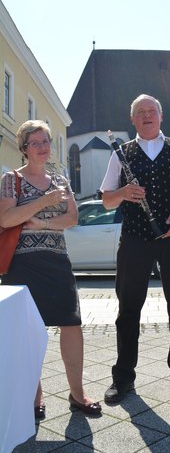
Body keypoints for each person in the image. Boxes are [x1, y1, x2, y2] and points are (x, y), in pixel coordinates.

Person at [100, 94, 170, 403]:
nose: (146, 116)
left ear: (161, 117)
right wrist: (122, 192)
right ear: (133, 120)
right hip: (134, 238)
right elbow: (106, 199)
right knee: (128, 308)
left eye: (151, 111)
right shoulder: (121, 154)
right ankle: (123, 377)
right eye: (140, 113)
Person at [0, 120, 101, 420]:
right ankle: (34, 395)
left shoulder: (61, 180)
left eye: (46, 141)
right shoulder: (11, 179)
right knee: (28, 332)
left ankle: (77, 393)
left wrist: (42, 222)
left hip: (57, 260)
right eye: (36, 143)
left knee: (72, 324)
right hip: (22, 264)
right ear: (24, 149)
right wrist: (43, 202)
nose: (44, 147)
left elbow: (71, 219)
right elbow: (6, 219)